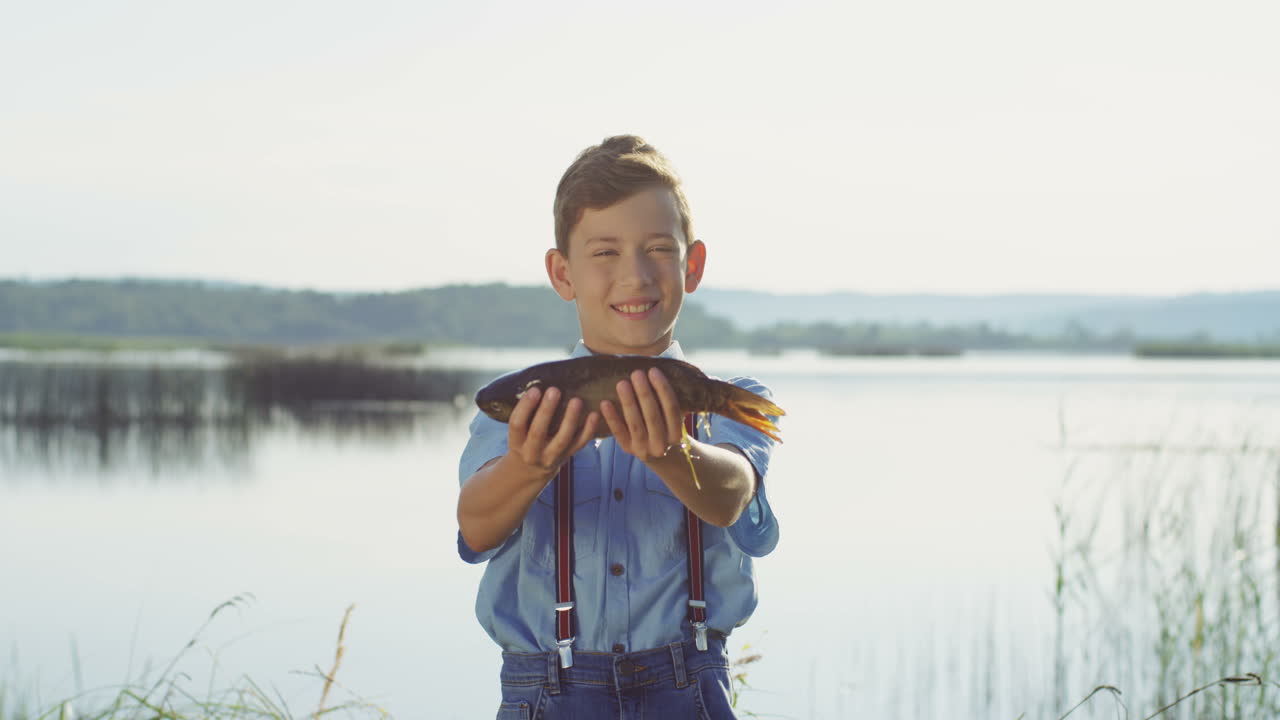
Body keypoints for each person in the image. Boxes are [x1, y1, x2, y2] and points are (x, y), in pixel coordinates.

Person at [456, 135, 780, 719]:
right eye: (604, 252)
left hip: (689, 685)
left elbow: (734, 496)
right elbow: (475, 528)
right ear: (563, 273)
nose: (634, 275)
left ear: (693, 264)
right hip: (545, 689)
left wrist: (671, 452)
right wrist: (528, 465)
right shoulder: (522, 402)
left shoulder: (725, 402)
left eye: (657, 248)